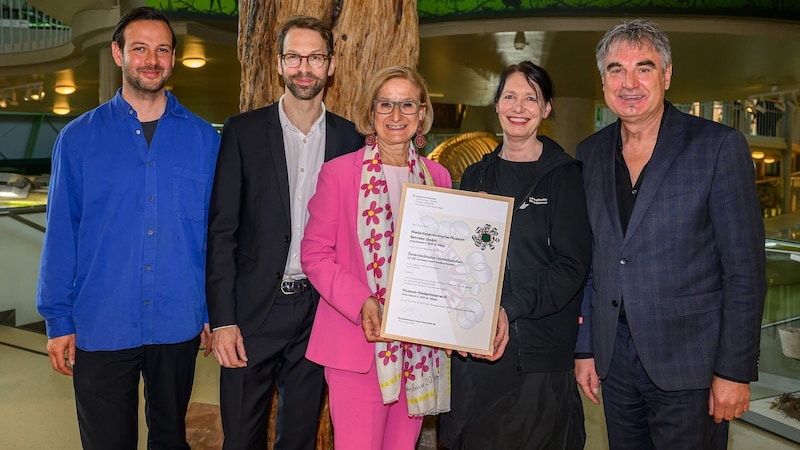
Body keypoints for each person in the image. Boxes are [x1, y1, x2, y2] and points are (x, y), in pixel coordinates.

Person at [574, 19, 767, 449]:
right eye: (616, 70)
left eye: (643, 68)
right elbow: (593, 261)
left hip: (693, 366)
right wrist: (585, 348)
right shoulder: (589, 154)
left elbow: (745, 271)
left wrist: (733, 371)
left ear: (666, 75)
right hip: (615, 361)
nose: (629, 83)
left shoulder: (717, 147)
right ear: (602, 79)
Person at [36, 7, 220, 449]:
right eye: (139, 48)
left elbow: (216, 235)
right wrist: (58, 319)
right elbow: (62, 232)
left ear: (173, 59)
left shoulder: (205, 140)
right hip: (101, 320)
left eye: (161, 49)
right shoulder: (78, 139)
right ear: (119, 54)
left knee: (170, 438)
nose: (151, 59)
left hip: (178, 320)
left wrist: (215, 312)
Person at [302, 66, 507, 449]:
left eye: (407, 104)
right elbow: (314, 253)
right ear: (372, 112)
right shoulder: (339, 173)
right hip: (357, 346)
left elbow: (449, 261)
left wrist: (466, 315)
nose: (396, 116)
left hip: (417, 350)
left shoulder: (438, 177)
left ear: (422, 113)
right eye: (386, 104)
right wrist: (361, 300)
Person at [205, 16, 363, 450]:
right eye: (294, 57)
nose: (304, 68)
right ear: (279, 64)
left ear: (331, 65)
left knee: (299, 438)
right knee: (240, 437)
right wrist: (222, 320)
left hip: (320, 311)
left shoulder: (351, 140)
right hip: (252, 311)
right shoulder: (242, 132)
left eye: (315, 57)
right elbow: (222, 231)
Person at [436, 61, 591, 450]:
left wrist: (509, 309)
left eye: (530, 98)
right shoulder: (476, 176)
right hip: (479, 353)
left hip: (537, 356)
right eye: (510, 96)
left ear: (546, 109)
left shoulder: (565, 176)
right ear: (496, 104)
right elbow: (462, 261)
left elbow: (572, 267)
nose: (518, 107)